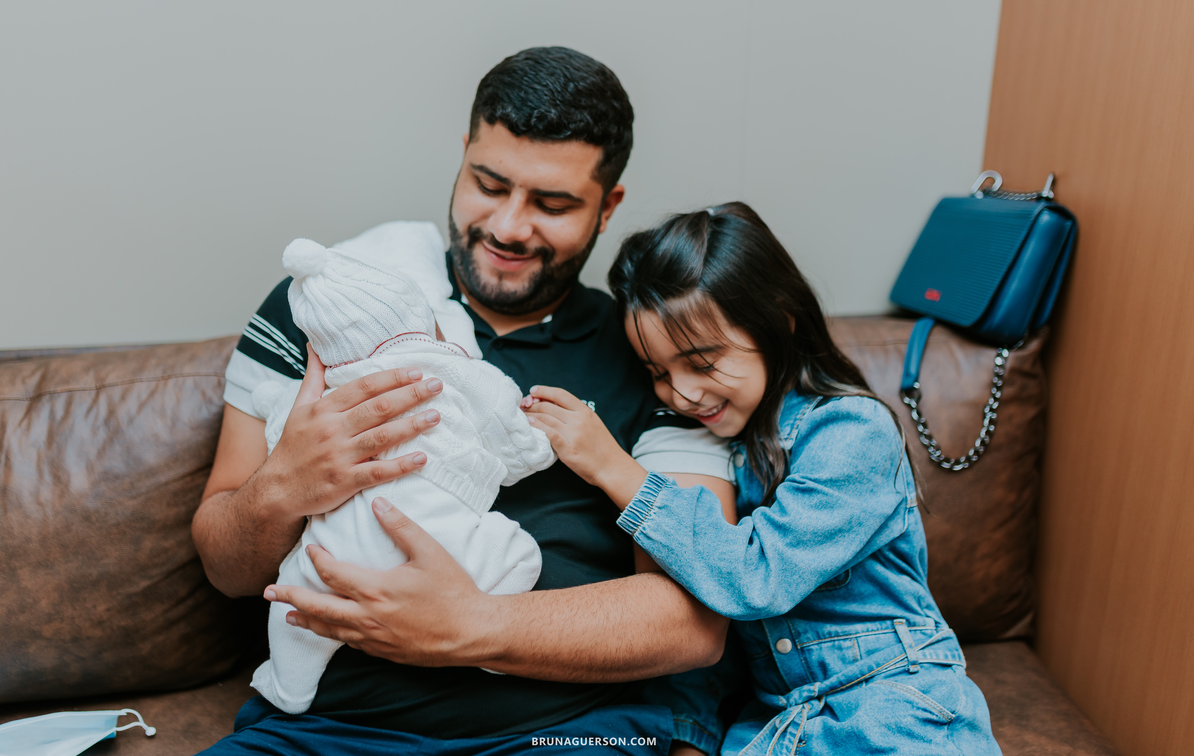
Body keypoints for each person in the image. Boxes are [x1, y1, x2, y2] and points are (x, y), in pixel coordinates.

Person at [192, 47, 736, 755]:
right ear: (463, 156)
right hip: (324, 732)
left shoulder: (652, 354)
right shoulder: (325, 308)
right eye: (489, 183)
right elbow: (224, 569)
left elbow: (692, 620)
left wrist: (471, 626)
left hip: (562, 734)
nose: (509, 227)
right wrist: (281, 486)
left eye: (553, 203)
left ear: (610, 205)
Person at [524, 203, 1003, 755]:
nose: (680, 393)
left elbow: (756, 576)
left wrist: (613, 468)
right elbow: (707, 631)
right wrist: (691, 739)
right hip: (780, 723)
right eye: (657, 372)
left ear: (779, 320)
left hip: (896, 705)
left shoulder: (853, 430)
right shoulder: (718, 450)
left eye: (701, 363)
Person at [249, 235, 554, 715]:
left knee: (293, 601)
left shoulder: (318, 399)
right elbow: (511, 436)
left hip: (334, 547)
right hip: (441, 528)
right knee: (517, 553)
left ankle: (290, 687)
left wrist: (272, 402)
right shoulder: (454, 367)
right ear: (424, 321)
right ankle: (497, 651)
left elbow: (279, 438)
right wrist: (539, 448)